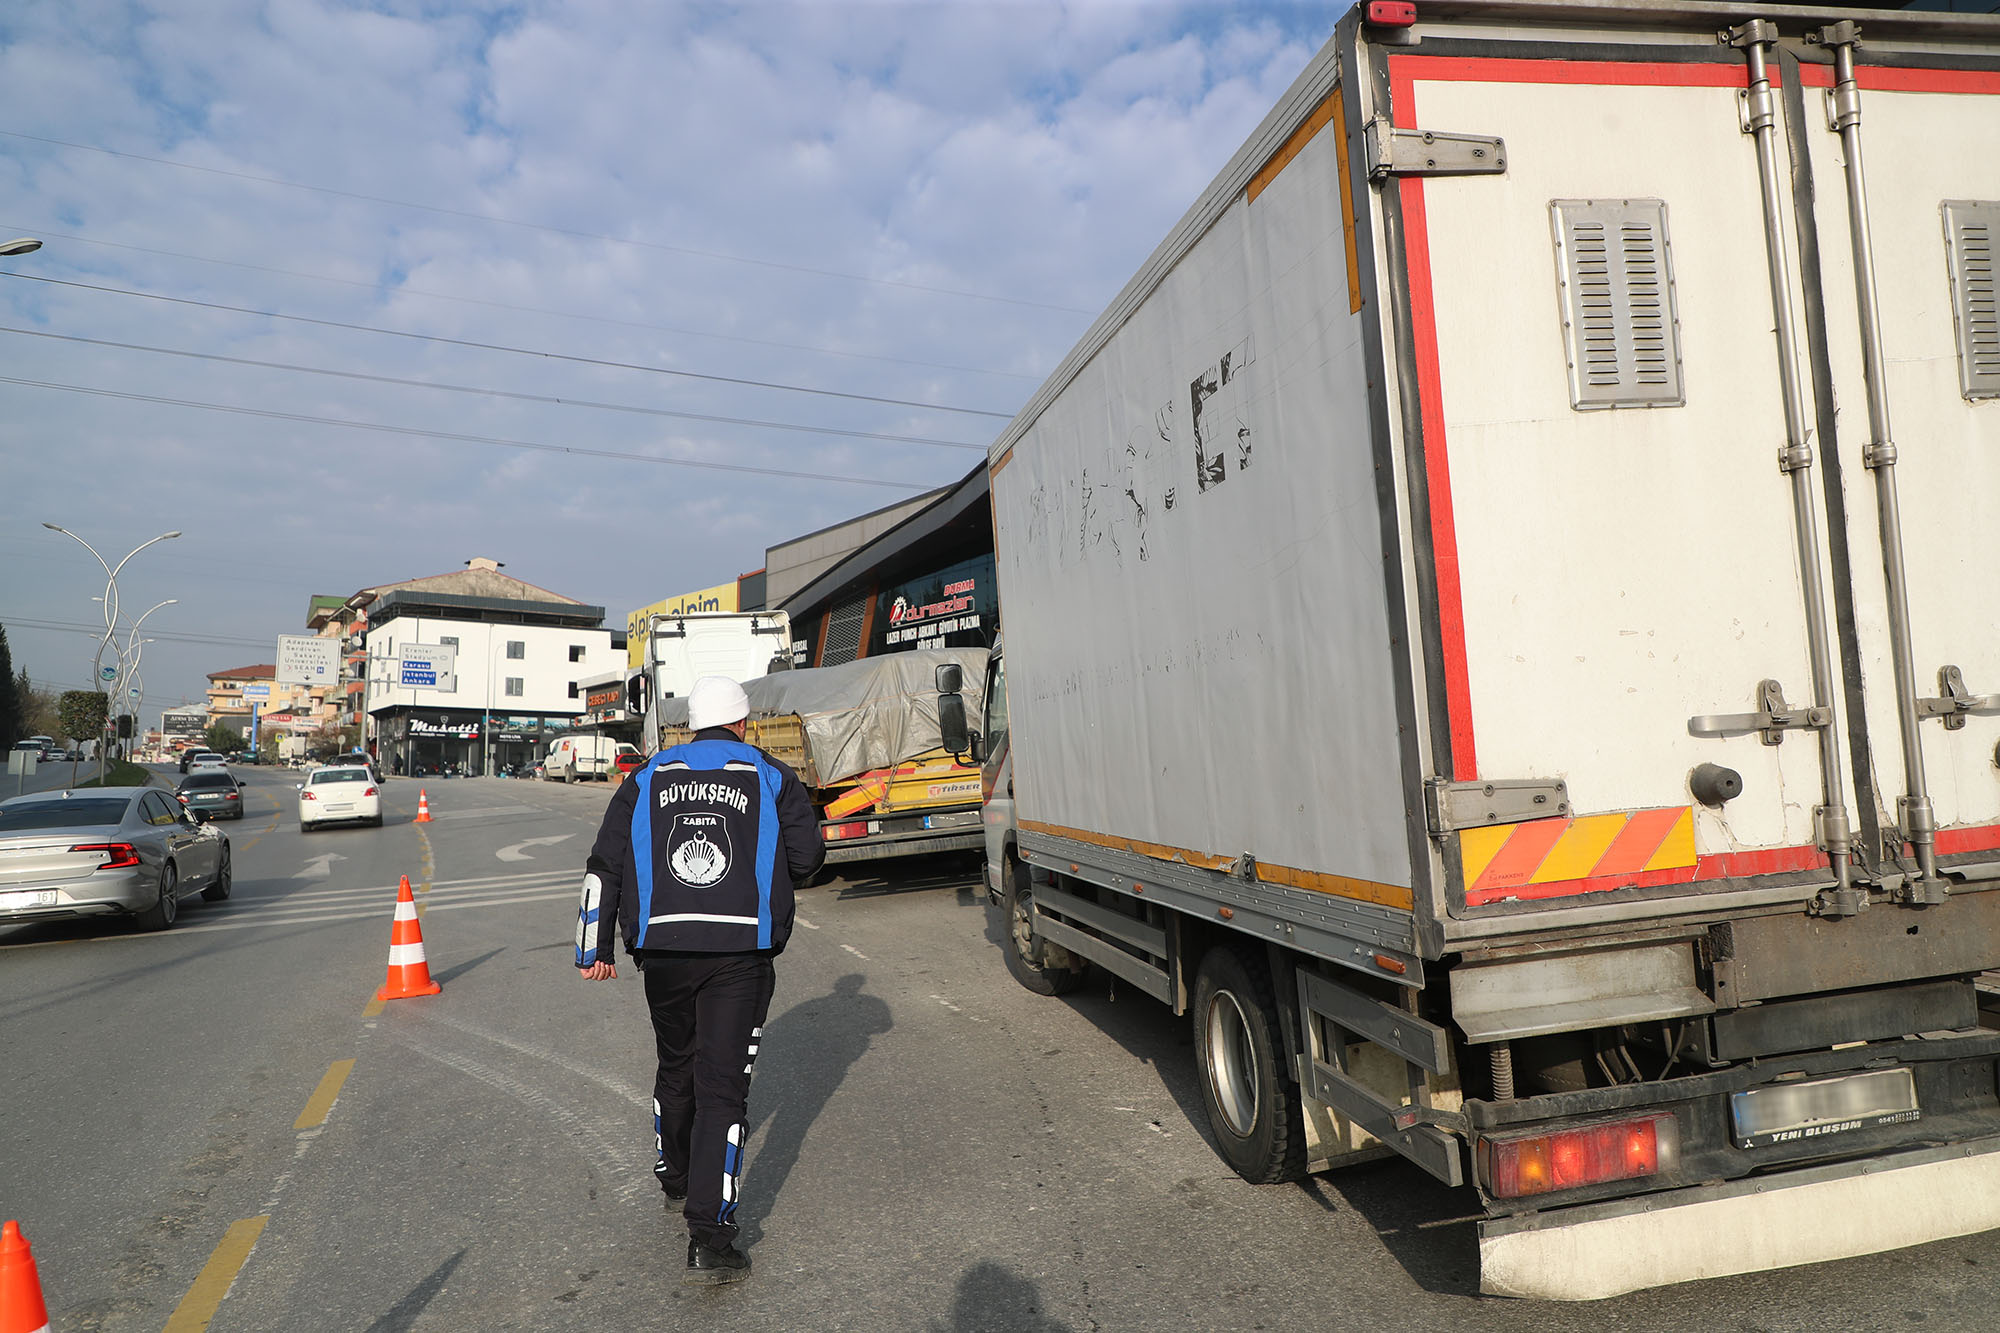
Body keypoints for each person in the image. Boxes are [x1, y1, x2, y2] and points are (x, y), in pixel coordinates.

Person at [573, 674, 824, 1285]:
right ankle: (709, 1234)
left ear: (690, 724)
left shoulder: (647, 774)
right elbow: (808, 858)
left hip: (661, 949)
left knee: (675, 1059)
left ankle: (676, 1176)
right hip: (740, 951)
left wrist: (593, 946)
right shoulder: (768, 774)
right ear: (742, 724)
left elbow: (606, 862)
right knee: (722, 1088)